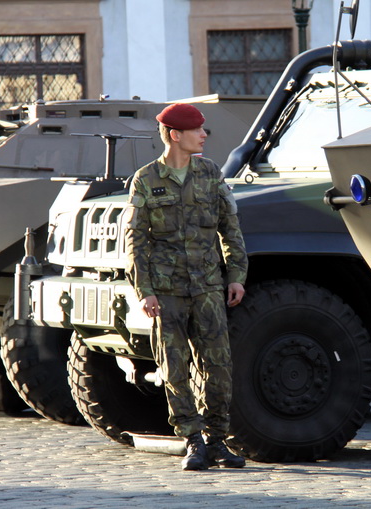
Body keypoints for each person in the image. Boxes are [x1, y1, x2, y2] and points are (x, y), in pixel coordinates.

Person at [125, 103, 248, 471]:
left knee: (219, 367)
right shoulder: (146, 180)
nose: (204, 135)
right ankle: (193, 441)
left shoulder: (211, 174)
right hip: (167, 292)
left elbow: (231, 229)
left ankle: (217, 440)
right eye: (197, 130)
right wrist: (144, 289)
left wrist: (237, 276)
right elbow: (136, 240)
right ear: (175, 135)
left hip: (209, 287)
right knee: (174, 368)